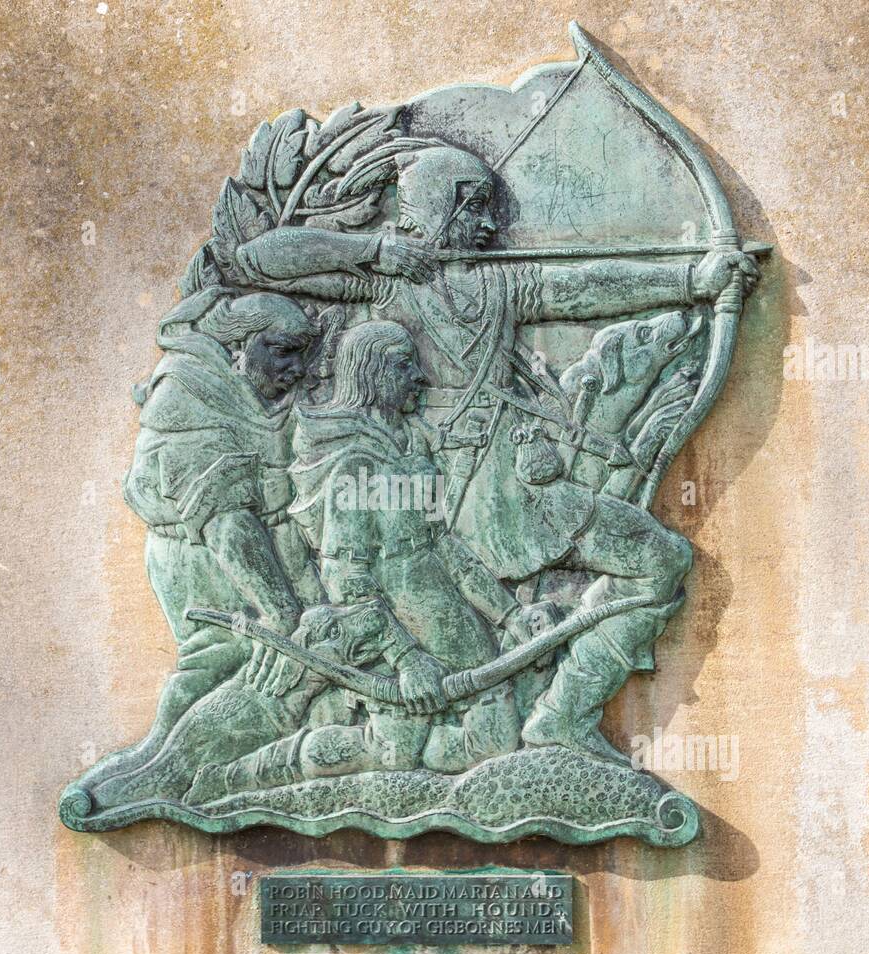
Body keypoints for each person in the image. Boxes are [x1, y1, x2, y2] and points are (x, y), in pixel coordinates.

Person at [230, 142, 738, 759]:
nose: (491, 224)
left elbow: (580, 290)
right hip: (430, 499)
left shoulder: (501, 283)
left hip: (515, 485)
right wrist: (375, 251)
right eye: (474, 208)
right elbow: (257, 259)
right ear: (437, 209)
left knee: (660, 561)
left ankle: (560, 717)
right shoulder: (381, 282)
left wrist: (691, 280)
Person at [186, 321, 544, 802]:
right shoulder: (353, 462)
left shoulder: (413, 446)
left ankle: (414, 789)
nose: (419, 375)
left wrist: (510, 613)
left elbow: (446, 546)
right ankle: (238, 780)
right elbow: (345, 574)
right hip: (390, 625)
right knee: (396, 750)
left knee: (490, 744)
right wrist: (405, 656)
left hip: (448, 614)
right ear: (373, 373)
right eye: (405, 364)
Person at [67, 289, 321, 813]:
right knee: (233, 663)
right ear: (241, 347)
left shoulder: (245, 391)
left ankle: (152, 764)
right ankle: (161, 775)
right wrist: (280, 613)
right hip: (212, 556)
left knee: (216, 667)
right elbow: (224, 517)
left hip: (251, 544)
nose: (295, 369)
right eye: (282, 352)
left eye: (301, 355)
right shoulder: (188, 392)